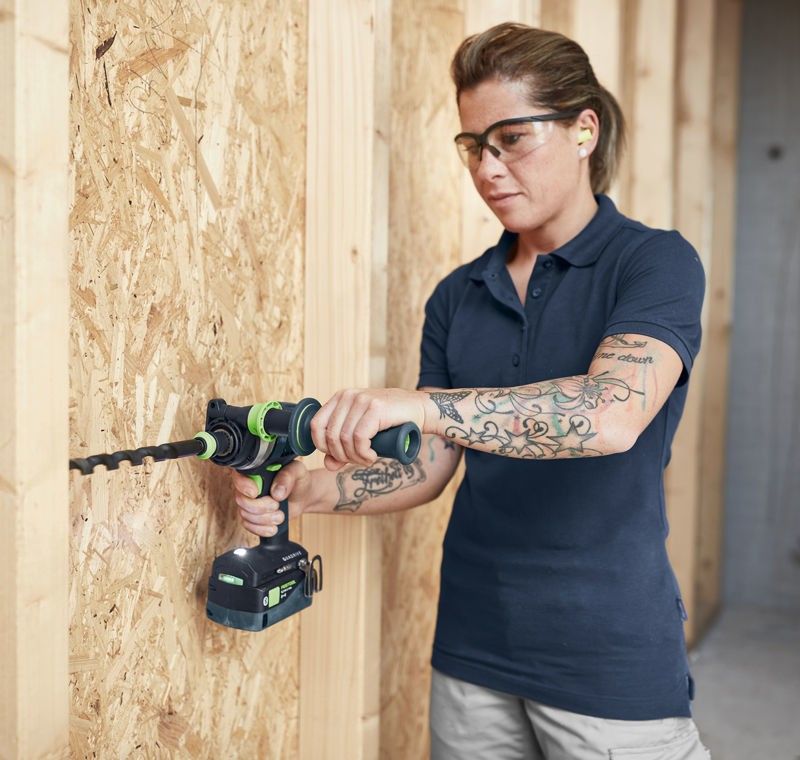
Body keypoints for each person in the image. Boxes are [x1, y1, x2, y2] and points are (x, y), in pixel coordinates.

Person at [232, 22, 711, 760]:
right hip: (472, 649)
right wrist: (308, 491)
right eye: (473, 146)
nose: (489, 169)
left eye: (512, 139)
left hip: (608, 660)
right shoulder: (460, 294)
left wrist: (419, 405)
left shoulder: (654, 263)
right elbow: (429, 465)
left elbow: (610, 415)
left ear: (583, 130)